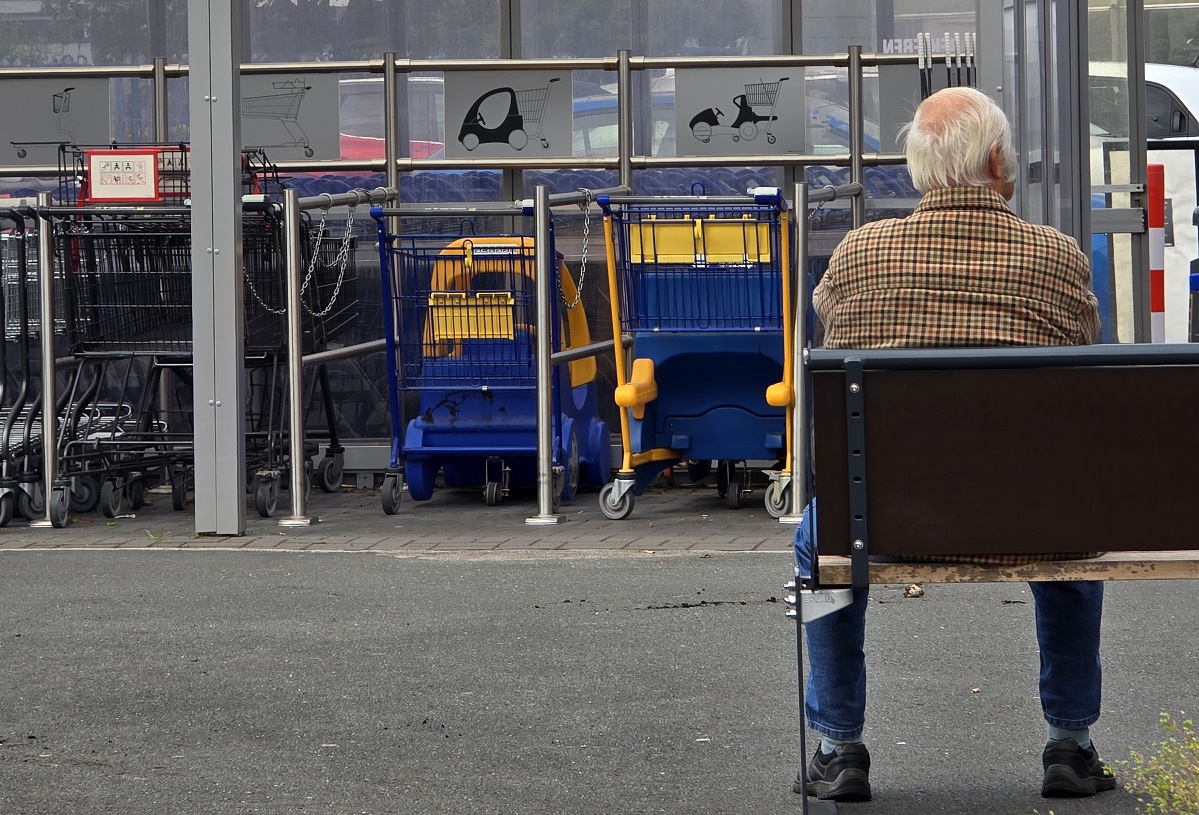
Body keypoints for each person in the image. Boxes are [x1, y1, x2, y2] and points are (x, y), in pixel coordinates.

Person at [793, 86, 1113, 803]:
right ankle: (1070, 739)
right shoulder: (1056, 257)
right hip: (1033, 520)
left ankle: (837, 745)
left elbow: (832, 339)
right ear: (996, 160)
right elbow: (1080, 377)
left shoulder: (857, 254)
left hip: (885, 522)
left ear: (918, 169)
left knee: (817, 540)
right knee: (1074, 530)